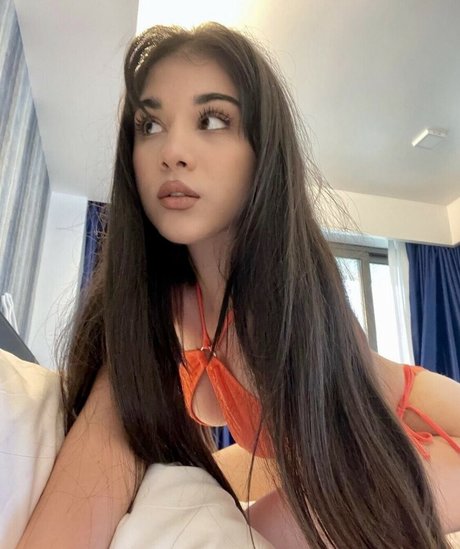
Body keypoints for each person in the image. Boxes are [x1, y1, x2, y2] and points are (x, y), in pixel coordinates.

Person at [16, 22, 460, 548]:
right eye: (149, 125)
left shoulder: (288, 302)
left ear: (261, 151)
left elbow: (331, 450)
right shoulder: (152, 312)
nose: (172, 151)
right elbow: (106, 453)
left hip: (419, 430)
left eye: (212, 119)